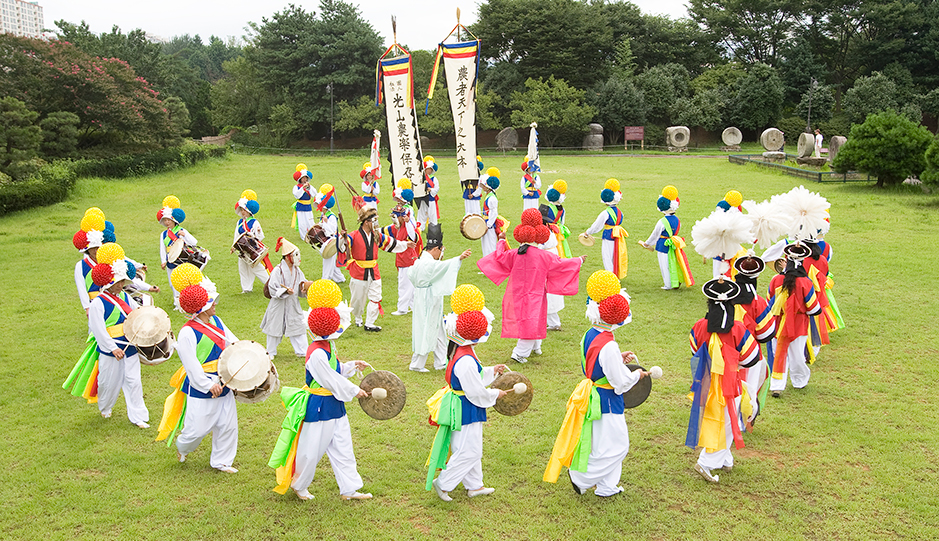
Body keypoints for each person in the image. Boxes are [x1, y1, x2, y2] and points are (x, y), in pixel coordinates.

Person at [543, 270, 648, 496]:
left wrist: (618, 360)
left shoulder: (590, 333)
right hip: (607, 400)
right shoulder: (609, 345)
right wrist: (636, 376)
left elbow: (594, 361)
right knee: (618, 446)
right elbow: (619, 381)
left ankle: (607, 486)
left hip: (594, 395)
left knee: (602, 444)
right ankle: (581, 477)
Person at [268, 279, 373, 501]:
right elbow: (329, 380)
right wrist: (354, 390)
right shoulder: (316, 352)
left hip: (334, 405)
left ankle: (349, 489)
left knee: (343, 447)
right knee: (310, 450)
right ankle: (299, 484)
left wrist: (352, 365)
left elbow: (335, 369)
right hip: (319, 407)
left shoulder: (327, 346)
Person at [425, 285, 508, 501]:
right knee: (469, 450)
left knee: (469, 446)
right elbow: (475, 392)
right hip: (465, 408)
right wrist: (495, 394)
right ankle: (443, 483)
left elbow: (473, 380)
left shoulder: (461, 351)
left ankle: (475, 485)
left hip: (461, 404)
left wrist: (491, 371)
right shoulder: (466, 359)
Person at [155, 267, 240, 473]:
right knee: (196, 429)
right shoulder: (187, 332)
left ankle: (222, 461)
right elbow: (191, 364)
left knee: (227, 425)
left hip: (224, 379)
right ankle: (183, 447)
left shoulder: (217, 321)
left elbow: (233, 342)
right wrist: (207, 384)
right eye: (211, 302)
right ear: (201, 308)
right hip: (204, 384)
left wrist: (245, 357)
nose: (215, 304)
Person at [478, 209, 584, 364]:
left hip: (516, 292)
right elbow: (561, 265)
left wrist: (501, 241)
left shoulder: (515, 253)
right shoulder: (543, 256)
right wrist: (579, 260)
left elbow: (499, 258)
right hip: (536, 293)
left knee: (530, 319)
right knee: (532, 320)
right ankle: (519, 353)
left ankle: (536, 346)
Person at [64, 247, 149, 428]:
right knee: (108, 383)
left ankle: (138, 416)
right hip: (112, 350)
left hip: (130, 345)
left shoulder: (126, 296)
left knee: (134, 381)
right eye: (117, 282)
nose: (120, 285)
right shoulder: (98, 303)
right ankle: (105, 407)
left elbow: (137, 313)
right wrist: (112, 348)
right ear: (108, 282)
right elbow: (99, 330)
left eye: (122, 282)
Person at [686, 277, 760, 483]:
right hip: (728, 384)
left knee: (721, 420)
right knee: (729, 421)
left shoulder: (699, 326)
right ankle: (706, 462)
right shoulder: (737, 329)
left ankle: (725, 458)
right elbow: (751, 358)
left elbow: (694, 351)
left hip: (705, 382)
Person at [408, 224, 470, 372]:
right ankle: (417, 364)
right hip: (427, 300)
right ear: (435, 249)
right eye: (440, 251)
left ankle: (441, 361)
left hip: (426, 296)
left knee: (439, 329)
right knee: (426, 329)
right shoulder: (427, 264)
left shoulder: (420, 261)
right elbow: (441, 268)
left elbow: (414, 274)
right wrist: (458, 258)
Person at [344, 206, 414, 331]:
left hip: (374, 271)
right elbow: (343, 246)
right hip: (359, 271)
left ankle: (370, 323)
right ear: (366, 222)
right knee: (358, 299)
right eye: (374, 221)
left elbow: (390, 242)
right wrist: (342, 238)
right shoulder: (353, 235)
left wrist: (405, 244)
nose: (376, 224)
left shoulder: (377, 235)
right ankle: (358, 318)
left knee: (376, 297)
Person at [767, 244, 821, 397]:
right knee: (797, 355)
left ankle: (777, 385)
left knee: (778, 353)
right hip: (799, 324)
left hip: (778, 324)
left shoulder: (776, 280)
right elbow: (813, 308)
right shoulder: (806, 282)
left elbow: (769, 301)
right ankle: (799, 380)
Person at [731, 256, 776, 425]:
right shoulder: (758, 301)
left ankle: (730, 421)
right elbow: (766, 333)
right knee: (748, 386)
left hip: (725, 351)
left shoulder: (727, 297)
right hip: (750, 352)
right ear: (756, 276)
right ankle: (742, 422)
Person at [261, 238, 312, 359]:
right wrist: (285, 291)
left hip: (293, 303)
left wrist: (304, 288)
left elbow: (300, 285)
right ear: (287, 256)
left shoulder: (297, 270)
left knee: (298, 325)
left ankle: (302, 350)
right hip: (278, 304)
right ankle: (271, 351)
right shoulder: (277, 271)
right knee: (274, 328)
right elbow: (272, 288)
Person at [640, 186, 694, 290]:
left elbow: (655, 234)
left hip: (663, 245)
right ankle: (675, 281)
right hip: (674, 243)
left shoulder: (662, 221)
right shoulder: (678, 220)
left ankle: (668, 284)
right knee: (673, 262)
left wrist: (647, 243)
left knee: (664, 265)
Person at [385, 185, 421, 316]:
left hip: (406, 257)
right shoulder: (402, 228)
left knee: (404, 283)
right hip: (406, 255)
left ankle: (402, 308)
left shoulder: (408, 229)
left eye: (396, 216)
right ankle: (412, 305)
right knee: (409, 282)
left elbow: (412, 232)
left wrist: (407, 221)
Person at [584, 179, 627, 279]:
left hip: (608, 235)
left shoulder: (605, 213)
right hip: (618, 235)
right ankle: (615, 275)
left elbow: (597, 225)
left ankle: (611, 277)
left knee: (607, 256)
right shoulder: (620, 212)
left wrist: (588, 232)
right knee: (616, 255)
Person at [157, 197, 200, 298]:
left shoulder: (181, 230)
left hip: (181, 257)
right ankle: (176, 301)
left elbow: (194, 242)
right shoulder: (163, 234)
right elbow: (162, 249)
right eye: (165, 220)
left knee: (182, 280)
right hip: (170, 258)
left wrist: (184, 235)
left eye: (169, 220)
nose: (167, 222)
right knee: (172, 282)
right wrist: (163, 260)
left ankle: (183, 300)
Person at [232, 192, 272, 293]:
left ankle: (270, 284)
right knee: (243, 268)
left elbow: (260, 236)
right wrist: (233, 246)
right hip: (241, 248)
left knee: (257, 268)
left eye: (244, 210)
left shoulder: (254, 222)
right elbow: (236, 235)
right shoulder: (239, 222)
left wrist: (253, 235)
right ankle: (246, 288)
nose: (243, 212)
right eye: (241, 210)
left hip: (252, 248)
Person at [538, 205, 566, 331]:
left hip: (546, 260)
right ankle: (552, 321)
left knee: (546, 290)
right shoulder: (549, 229)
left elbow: (539, 247)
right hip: (552, 258)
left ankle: (553, 322)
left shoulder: (543, 232)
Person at [74, 210, 106, 316]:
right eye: (93, 248)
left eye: (98, 247)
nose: (96, 251)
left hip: (110, 299)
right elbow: (81, 287)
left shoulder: (107, 261)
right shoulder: (81, 266)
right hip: (94, 302)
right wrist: (87, 307)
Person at [313, 184, 346, 283]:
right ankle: (340, 278)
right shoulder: (324, 215)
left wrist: (325, 223)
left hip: (332, 240)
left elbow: (331, 230)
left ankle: (326, 278)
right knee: (331, 260)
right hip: (328, 240)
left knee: (328, 260)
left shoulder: (331, 216)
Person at [543, 180, 572, 258]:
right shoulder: (562, 210)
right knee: (561, 249)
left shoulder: (545, 208)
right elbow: (562, 222)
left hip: (548, 231)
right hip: (558, 231)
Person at [479, 168, 504, 257]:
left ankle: (490, 266)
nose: (483, 187)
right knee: (485, 246)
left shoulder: (492, 198)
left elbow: (493, 213)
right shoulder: (489, 196)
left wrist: (488, 225)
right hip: (486, 223)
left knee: (490, 246)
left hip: (489, 225)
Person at [292, 165, 315, 240]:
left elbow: (314, 194)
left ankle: (312, 235)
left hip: (308, 206)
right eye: (303, 178)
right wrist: (303, 188)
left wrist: (309, 187)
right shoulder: (296, 187)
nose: (304, 180)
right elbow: (297, 195)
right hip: (300, 206)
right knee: (302, 223)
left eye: (305, 178)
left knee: (310, 221)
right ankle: (303, 236)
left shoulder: (309, 186)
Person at [415, 157, 440, 226]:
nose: (429, 171)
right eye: (428, 169)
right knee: (422, 213)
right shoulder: (420, 177)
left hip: (431, 198)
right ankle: (420, 226)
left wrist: (431, 190)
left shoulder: (434, 179)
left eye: (430, 169)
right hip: (423, 198)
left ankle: (433, 226)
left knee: (432, 213)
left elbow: (437, 188)